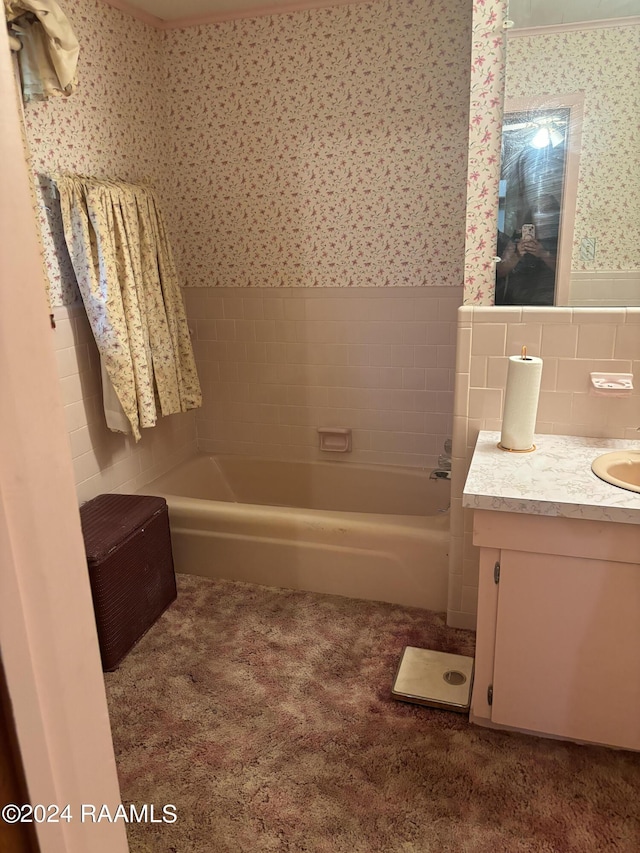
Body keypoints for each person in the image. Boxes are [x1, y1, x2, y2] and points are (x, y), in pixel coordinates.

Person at [495, 195, 559, 306]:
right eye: (537, 210)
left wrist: (543, 254)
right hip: (515, 300)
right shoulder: (518, 238)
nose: (541, 214)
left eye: (547, 209)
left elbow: (565, 272)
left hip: (549, 301)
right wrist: (517, 255)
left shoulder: (560, 238)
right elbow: (500, 271)